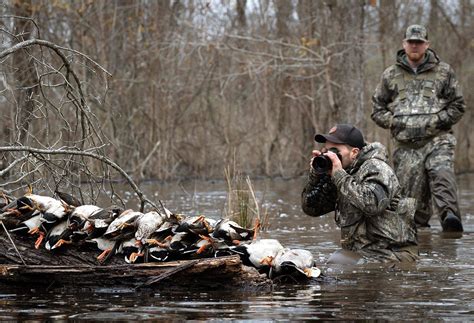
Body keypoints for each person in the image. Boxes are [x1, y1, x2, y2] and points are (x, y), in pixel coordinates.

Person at [371, 25, 466, 232]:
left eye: (419, 42)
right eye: (411, 42)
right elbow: (377, 109)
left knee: (442, 176)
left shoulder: (444, 71)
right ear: (404, 44)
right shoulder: (390, 75)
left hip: (437, 140)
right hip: (406, 146)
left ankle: (450, 222)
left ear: (427, 45)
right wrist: (395, 122)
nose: (415, 46)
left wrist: (438, 121)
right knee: (412, 206)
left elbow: (458, 105)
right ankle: (420, 241)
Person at [301, 124, 418, 264]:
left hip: (394, 254)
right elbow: (312, 209)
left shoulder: (377, 167)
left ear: (354, 152)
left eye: (334, 150)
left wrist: (339, 175)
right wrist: (316, 176)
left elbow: (372, 204)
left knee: (337, 261)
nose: (329, 155)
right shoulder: (343, 173)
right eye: (326, 150)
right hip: (362, 255)